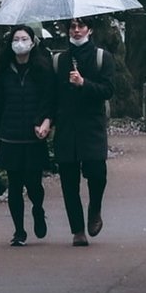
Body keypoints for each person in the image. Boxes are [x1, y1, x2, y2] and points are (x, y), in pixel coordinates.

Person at [0, 25, 55, 246]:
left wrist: (45, 121)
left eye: (24, 38)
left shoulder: (42, 70)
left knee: (34, 185)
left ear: (33, 42)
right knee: (15, 185)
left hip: (33, 137)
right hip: (10, 136)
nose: (20, 43)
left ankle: (38, 209)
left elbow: (49, 100)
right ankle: (19, 232)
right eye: (16, 39)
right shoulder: (5, 73)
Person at [52, 16, 115, 247]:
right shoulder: (59, 60)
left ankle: (95, 208)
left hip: (91, 126)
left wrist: (84, 84)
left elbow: (108, 90)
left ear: (90, 29)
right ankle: (77, 230)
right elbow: (52, 95)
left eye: (81, 26)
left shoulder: (102, 58)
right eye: (72, 26)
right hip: (66, 127)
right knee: (69, 181)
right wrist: (47, 120)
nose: (76, 30)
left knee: (97, 172)